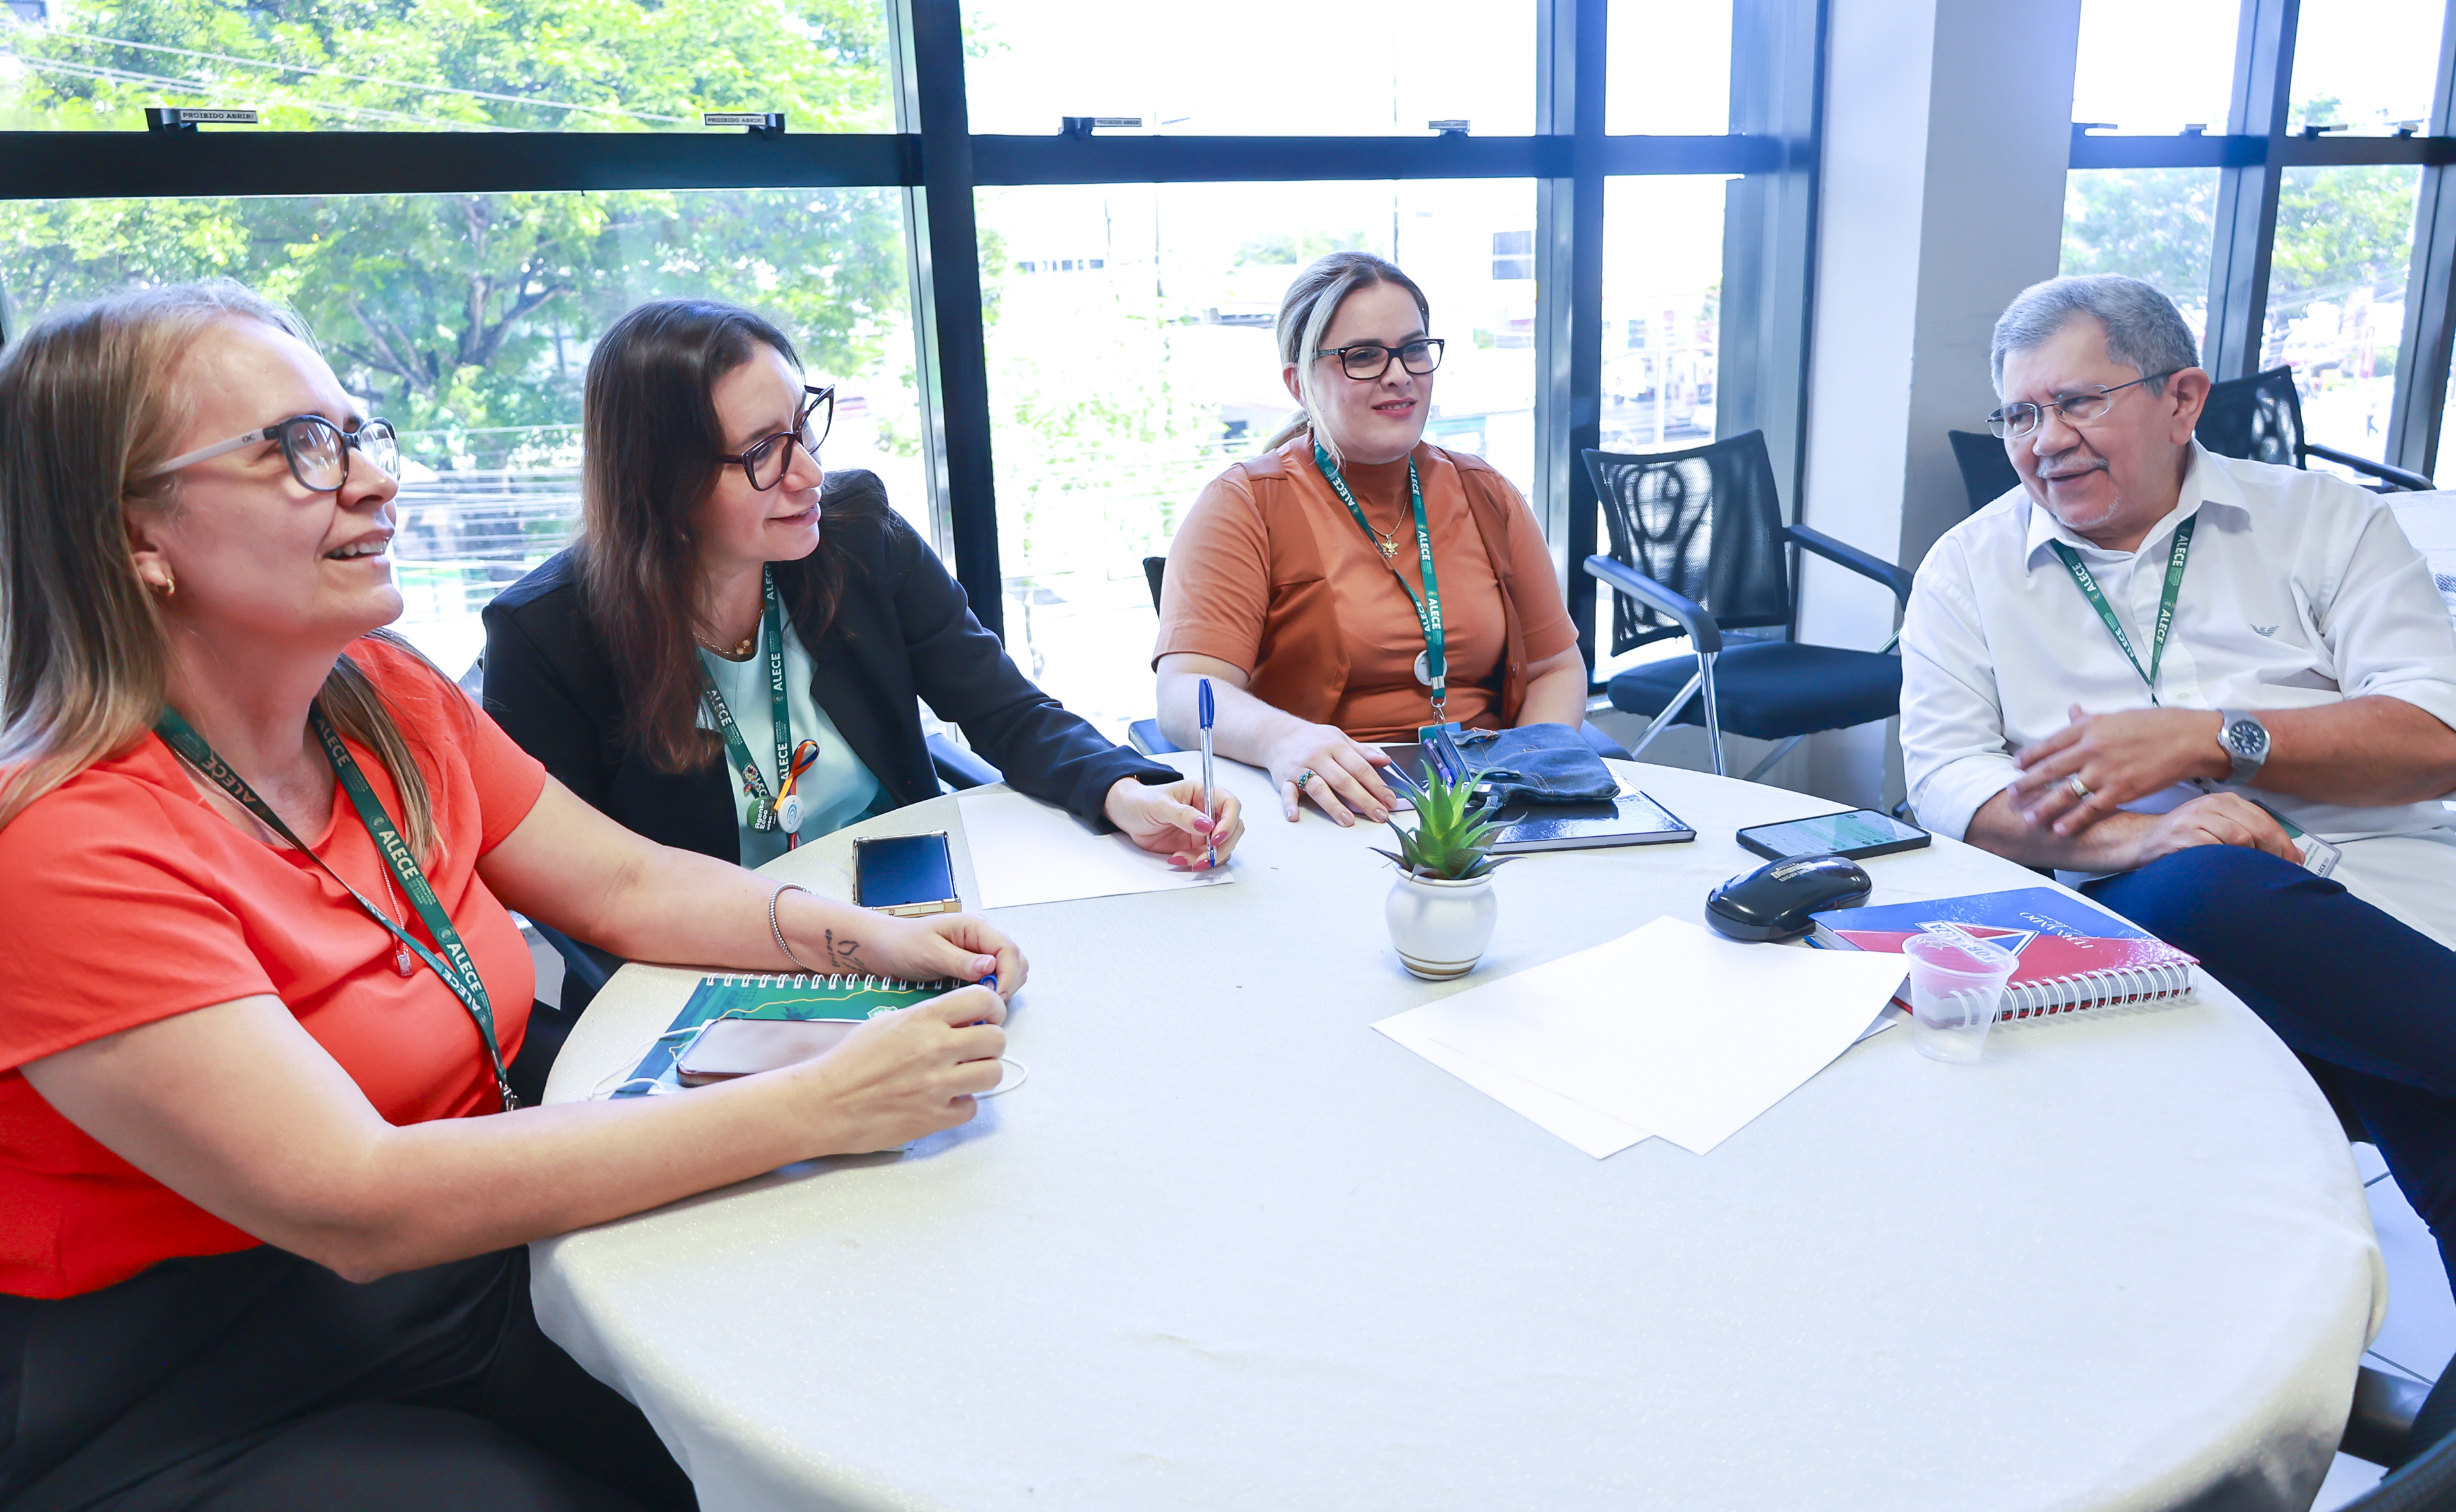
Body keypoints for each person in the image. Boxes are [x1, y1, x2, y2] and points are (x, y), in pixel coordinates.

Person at [0, 281, 1037, 1511]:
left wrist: (865, 941)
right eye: (298, 448)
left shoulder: (384, 696)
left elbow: (628, 883)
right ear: (133, 535)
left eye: (359, 433)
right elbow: (357, 1204)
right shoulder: (63, 847)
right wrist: (818, 1105)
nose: (375, 481)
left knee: (842, 1389)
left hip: (479, 1257)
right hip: (219, 1370)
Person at [1899, 271, 2456, 1285]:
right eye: (2020, 414)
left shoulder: (2326, 521)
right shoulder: (1967, 569)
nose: (2045, 440)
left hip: (2392, 896)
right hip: (2161, 909)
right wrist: (2144, 836)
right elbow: (1947, 780)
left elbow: (2435, 735)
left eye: (2078, 401)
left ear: (2182, 399)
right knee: (2205, 884)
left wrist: (2212, 740)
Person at [482, 300, 1242, 1020]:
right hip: (711, 965)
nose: (809, 473)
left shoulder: (858, 534)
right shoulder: (547, 635)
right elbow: (581, 894)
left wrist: (1123, 789)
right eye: (763, 453)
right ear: (660, 481)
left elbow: (1007, 710)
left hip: (910, 913)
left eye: (803, 426)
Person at [1153, 252, 1588, 826]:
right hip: (1328, 808)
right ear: (1300, 383)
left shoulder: (1486, 493)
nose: (1399, 374)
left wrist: (1529, 780)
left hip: (1487, 807)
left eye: (1414, 349)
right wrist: (1283, 739)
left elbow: (1554, 667)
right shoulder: (1245, 504)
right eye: (1362, 356)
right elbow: (1184, 692)